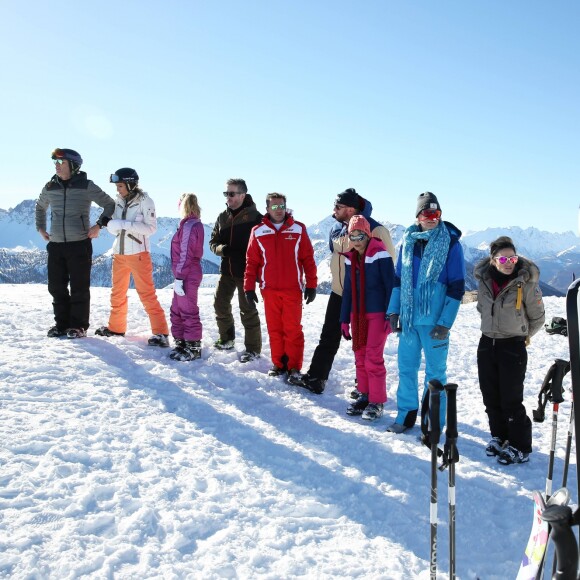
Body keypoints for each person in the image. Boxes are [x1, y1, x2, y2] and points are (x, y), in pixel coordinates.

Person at [297, 188, 396, 394]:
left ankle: (365, 386)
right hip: (340, 291)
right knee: (329, 335)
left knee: (365, 343)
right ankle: (316, 377)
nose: (334, 211)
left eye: (338, 207)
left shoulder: (376, 230)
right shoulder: (337, 228)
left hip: (366, 297)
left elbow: (389, 265)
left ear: (351, 209)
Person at [386, 192, 465, 433]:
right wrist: (393, 311)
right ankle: (406, 415)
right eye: (426, 213)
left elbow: (457, 286)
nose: (432, 218)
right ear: (418, 216)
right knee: (406, 368)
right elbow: (399, 279)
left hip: (434, 322)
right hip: (409, 320)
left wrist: (446, 322)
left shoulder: (450, 243)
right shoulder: (408, 242)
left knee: (435, 373)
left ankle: (432, 422)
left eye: (436, 213)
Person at [475, 236, 545, 465]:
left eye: (512, 258)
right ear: (493, 260)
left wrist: (520, 335)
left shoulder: (525, 282)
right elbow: (482, 308)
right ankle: (500, 436)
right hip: (487, 343)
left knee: (511, 399)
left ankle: (520, 446)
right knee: (490, 396)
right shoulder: (483, 280)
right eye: (503, 258)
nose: (508, 262)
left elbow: (537, 318)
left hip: (512, 346)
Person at [35, 148, 115, 339]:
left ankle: (78, 326)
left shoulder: (86, 186)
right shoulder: (49, 187)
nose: (56, 166)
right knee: (56, 286)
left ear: (73, 165)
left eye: (60, 162)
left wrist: (99, 225)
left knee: (79, 287)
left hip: (79, 244)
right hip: (55, 245)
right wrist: (41, 227)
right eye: (55, 162)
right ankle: (61, 325)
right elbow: (40, 207)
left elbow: (110, 205)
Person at [244, 193, 317, 383]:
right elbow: (251, 262)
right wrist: (248, 288)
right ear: (267, 209)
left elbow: (307, 259)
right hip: (269, 290)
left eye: (282, 206)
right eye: (274, 207)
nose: (279, 210)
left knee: (292, 329)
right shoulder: (258, 231)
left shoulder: (298, 229)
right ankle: (278, 364)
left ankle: (293, 367)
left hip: (292, 289)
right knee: (274, 329)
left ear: (286, 207)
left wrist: (311, 284)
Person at [94, 168, 169, 346]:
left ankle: (161, 333)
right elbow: (115, 229)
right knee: (117, 294)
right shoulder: (118, 201)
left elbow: (150, 229)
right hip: (119, 254)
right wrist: (111, 224)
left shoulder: (145, 201)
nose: (117, 189)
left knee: (147, 294)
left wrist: (121, 224)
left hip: (139, 255)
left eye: (120, 186)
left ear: (130, 184)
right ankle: (116, 328)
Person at [341, 215, 395, 421]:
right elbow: (348, 291)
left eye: (360, 234)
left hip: (377, 315)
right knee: (360, 357)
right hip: (357, 315)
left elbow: (390, 287)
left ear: (368, 234)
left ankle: (377, 401)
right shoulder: (351, 258)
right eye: (352, 235)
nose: (356, 239)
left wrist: (391, 315)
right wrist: (344, 319)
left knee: (373, 358)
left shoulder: (380, 255)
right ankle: (364, 395)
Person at [209, 178, 263, 362]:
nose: (227, 197)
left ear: (242, 195)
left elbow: (264, 246)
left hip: (246, 272)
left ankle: (253, 350)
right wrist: (221, 249)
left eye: (231, 194)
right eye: (226, 193)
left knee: (247, 310)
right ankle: (227, 339)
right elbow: (212, 243)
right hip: (226, 270)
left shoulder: (256, 218)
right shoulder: (222, 217)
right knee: (220, 304)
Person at [168, 193, 205, 361]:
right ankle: (181, 342)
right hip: (183, 273)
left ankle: (193, 346)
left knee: (188, 310)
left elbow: (185, 253)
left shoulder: (190, 225)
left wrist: (180, 277)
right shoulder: (188, 224)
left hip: (187, 274)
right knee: (177, 309)